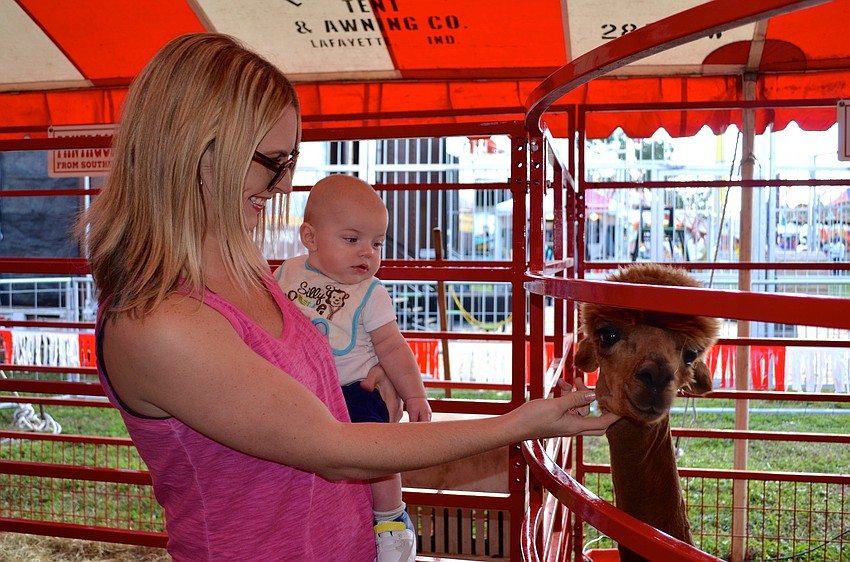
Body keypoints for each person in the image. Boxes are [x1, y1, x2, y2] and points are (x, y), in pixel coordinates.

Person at [75, 32, 619, 562]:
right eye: (272, 161)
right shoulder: (158, 322)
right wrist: (522, 424)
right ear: (198, 150)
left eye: (290, 164)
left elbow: (305, 398)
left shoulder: (253, 270)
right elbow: (335, 452)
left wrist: (359, 386)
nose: (285, 186)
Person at [276, 175, 431, 561]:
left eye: (376, 243)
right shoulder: (285, 274)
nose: (367, 253)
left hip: (353, 388)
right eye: (352, 240)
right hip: (297, 389)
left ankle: (391, 523)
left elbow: (392, 346)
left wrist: (413, 394)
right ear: (309, 237)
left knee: (378, 450)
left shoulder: (372, 292)